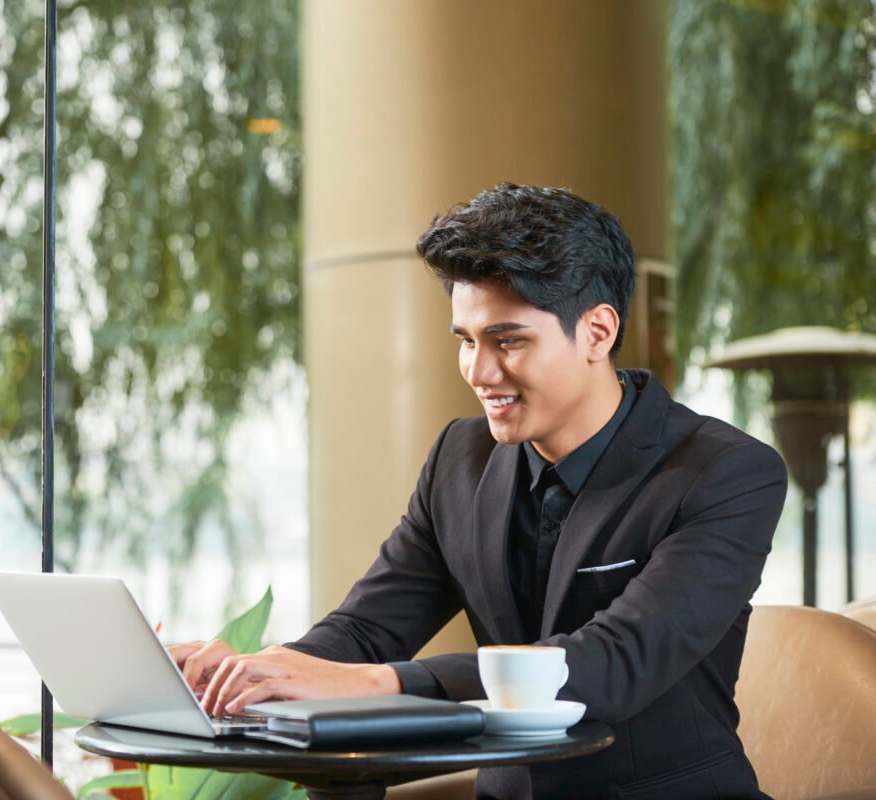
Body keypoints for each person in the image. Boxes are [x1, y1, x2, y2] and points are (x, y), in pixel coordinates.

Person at [169, 183, 788, 799]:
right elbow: (365, 631)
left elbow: (612, 664)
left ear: (597, 332)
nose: (479, 372)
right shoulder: (459, 460)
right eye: (466, 340)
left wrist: (374, 685)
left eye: (508, 341)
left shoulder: (727, 473)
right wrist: (256, 675)